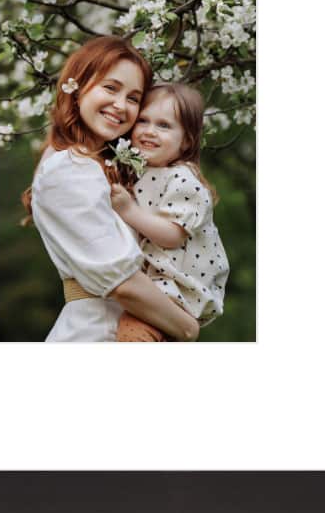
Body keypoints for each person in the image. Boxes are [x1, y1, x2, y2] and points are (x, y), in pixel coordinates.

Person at [24, 35, 200, 342]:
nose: (120, 105)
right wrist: (188, 328)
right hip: (95, 332)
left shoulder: (98, 165)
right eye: (110, 88)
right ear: (76, 87)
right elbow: (122, 282)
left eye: (133, 98)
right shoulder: (68, 168)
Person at [109, 83, 229, 330]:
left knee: (133, 333)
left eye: (163, 125)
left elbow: (172, 236)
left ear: (186, 141)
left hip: (178, 290)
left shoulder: (184, 179)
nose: (150, 131)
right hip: (155, 285)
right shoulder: (139, 170)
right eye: (143, 121)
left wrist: (129, 211)